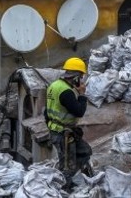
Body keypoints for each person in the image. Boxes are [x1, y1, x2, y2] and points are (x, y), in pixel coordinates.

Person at [45, 57, 93, 187]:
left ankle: (80, 178)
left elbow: (46, 112)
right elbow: (79, 111)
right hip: (63, 135)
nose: (81, 80)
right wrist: (82, 94)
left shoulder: (53, 85)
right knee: (67, 167)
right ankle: (63, 189)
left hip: (59, 131)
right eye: (81, 77)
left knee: (85, 151)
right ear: (76, 77)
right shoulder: (66, 92)